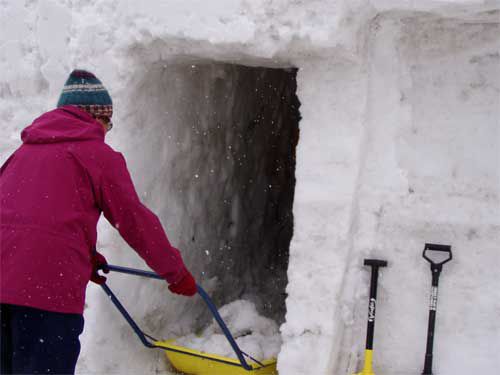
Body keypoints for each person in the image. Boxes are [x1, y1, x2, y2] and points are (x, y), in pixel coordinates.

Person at [0, 69, 197, 374]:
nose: (107, 130)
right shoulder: (97, 155)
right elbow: (134, 221)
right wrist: (175, 272)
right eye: (108, 122)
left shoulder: (22, 154)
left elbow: (29, 219)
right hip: (47, 292)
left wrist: (84, 256)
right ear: (96, 118)